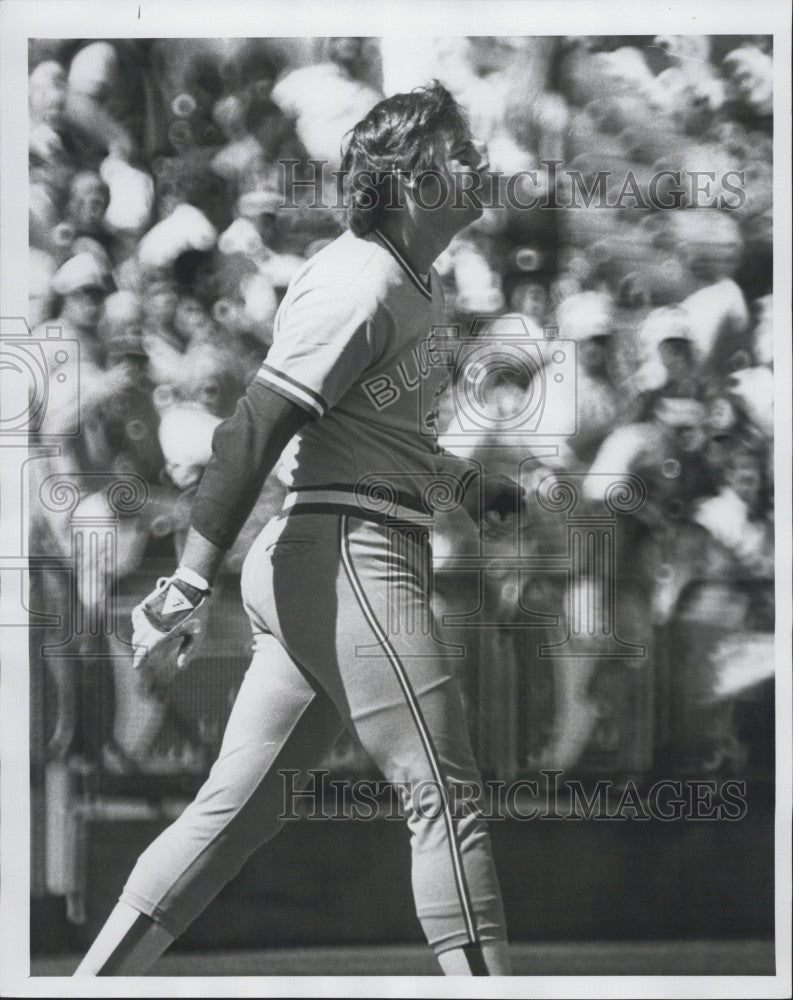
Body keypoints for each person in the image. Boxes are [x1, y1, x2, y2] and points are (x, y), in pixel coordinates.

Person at [75, 82, 519, 977]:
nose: (478, 160)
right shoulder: (361, 276)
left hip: (340, 549)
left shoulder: (409, 283)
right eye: (458, 145)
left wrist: (463, 481)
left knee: (233, 814)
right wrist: (186, 581)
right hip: (349, 555)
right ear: (416, 173)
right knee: (442, 790)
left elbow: (371, 435)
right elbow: (253, 427)